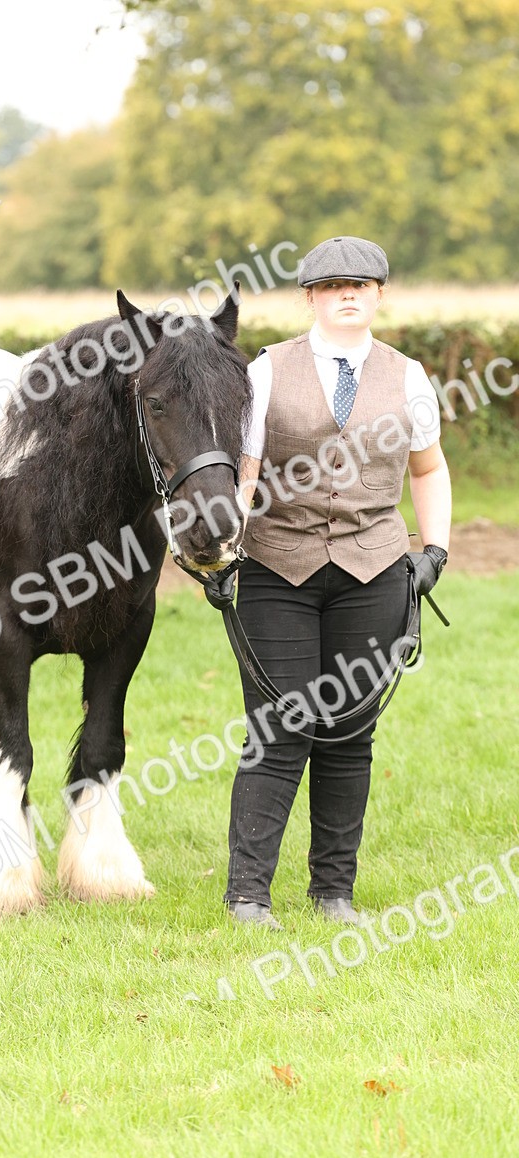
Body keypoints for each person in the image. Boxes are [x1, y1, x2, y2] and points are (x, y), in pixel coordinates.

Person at [226, 235, 451, 929]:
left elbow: (427, 470)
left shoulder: (408, 377)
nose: (348, 294)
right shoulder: (266, 372)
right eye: (333, 286)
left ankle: (332, 893)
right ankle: (247, 896)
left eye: (362, 283)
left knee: (351, 732)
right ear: (312, 298)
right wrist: (222, 554)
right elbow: (246, 479)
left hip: (375, 569)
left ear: (379, 294)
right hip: (276, 568)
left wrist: (433, 548)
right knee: (280, 726)